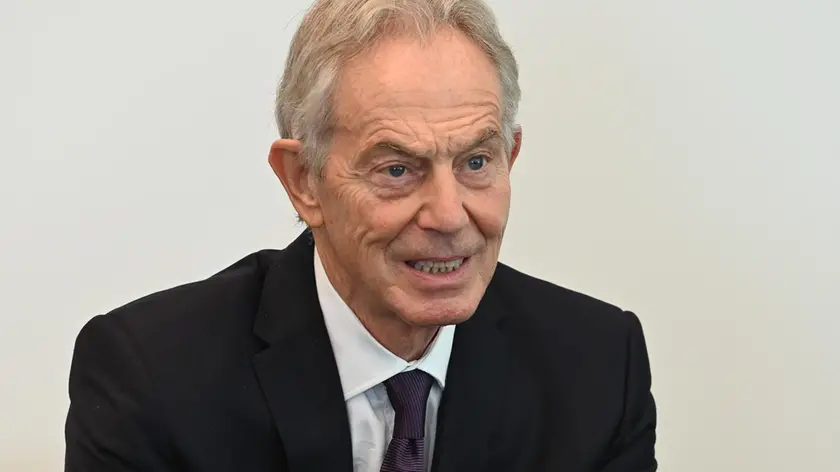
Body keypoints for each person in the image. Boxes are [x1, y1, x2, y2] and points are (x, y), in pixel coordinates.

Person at [64, 0, 657, 470]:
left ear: (512, 156)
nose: (449, 216)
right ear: (304, 181)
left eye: (476, 162)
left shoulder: (599, 369)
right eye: (397, 170)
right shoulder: (152, 379)